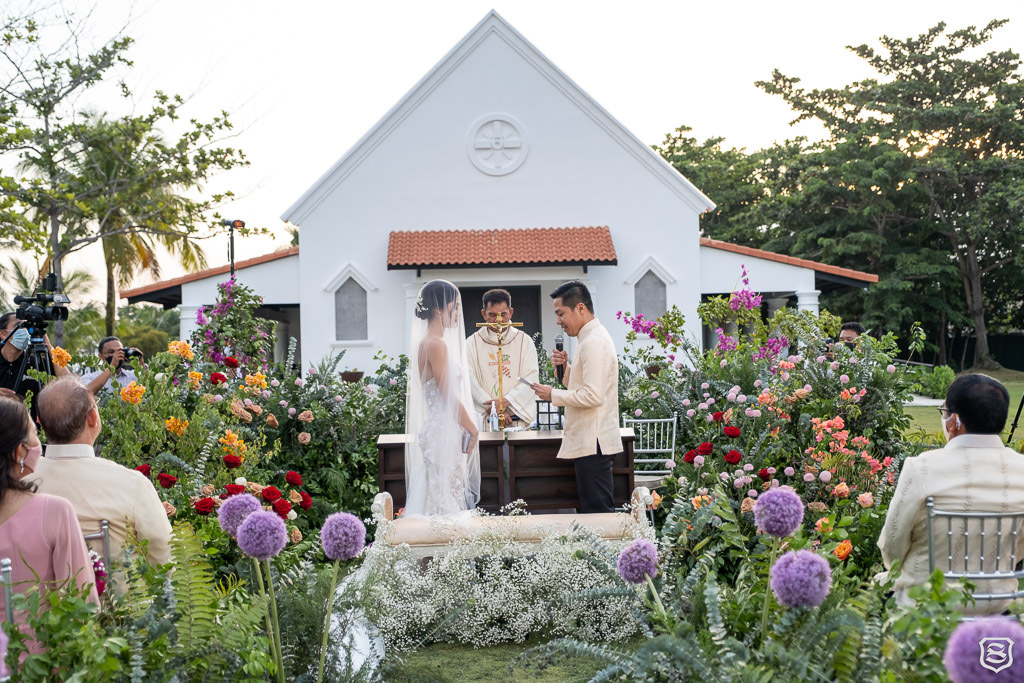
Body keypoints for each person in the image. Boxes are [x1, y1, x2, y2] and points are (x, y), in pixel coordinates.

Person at [878, 374, 1024, 615]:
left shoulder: (921, 468)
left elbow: (892, 546)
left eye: (944, 410)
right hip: (996, 606)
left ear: (954, 421)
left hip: (923, 609)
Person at [29, 378, 172, 588]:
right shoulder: (131, 484)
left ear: (39, 421)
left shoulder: (17, 481)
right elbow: (165, 558)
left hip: (35, 613)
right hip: (119, 614)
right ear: (93, 418)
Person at [0, 396, 98, 654]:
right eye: (34, 432)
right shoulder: (54, 512)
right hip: (41, 663)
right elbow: (83, 603)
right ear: (18, 452)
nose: (38, 442)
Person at [531, 281, 620, 513]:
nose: (558, 321)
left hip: (594, 442)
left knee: (599, 514)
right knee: (593, 513)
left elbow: (593, 395)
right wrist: (566, 370)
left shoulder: (593, 342)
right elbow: (582, 386)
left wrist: (553, 395)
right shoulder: (587, 338)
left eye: (561, 314)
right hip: (590, 441)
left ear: (580, 308)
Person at [404, 280, 480, 517]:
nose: (457, 314)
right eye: (454, 307)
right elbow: (448, 395)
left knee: (444, 498)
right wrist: (473, 429)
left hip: (443, 430)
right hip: (441, 433)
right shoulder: (435, 345)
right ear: (438, 308)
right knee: (443, 504)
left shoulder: (430, 342)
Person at [466, 288, 540, 428]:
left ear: (511, 312)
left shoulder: (525, 341)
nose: (498, 320)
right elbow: (469, 379)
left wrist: (507, 401)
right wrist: (492, 408)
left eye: (503, 314)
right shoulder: (471, 343)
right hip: (486, 420)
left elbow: (531, 377)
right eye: (492, 315)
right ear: (483, 314)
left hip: (516, 419)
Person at [0, 311, 70, 400]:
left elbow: (69, 384)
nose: (25, 330)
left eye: (27, 326)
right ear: (3, 334)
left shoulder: (37, 362)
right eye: (20, 325)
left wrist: (48, 345)